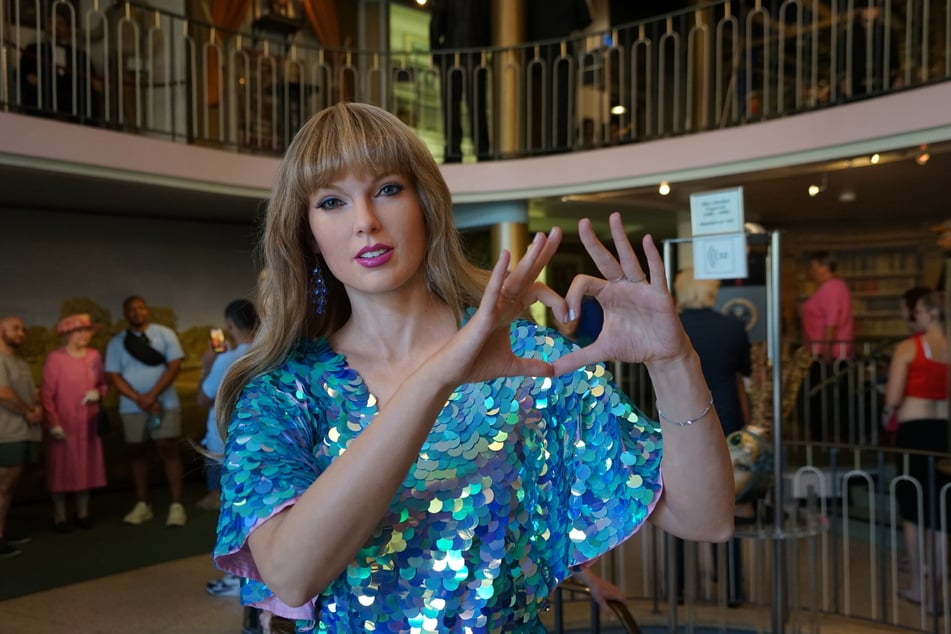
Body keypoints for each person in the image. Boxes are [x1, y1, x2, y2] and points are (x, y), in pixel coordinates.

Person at [211, 102, 733, 631]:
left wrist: (674, 361)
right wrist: (438, 377)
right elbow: (291, 574)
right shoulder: (283, 391)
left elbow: (705, 518)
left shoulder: (527, 360)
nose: (365, 222)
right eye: (332, 201)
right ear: (307, 233)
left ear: (426, 205)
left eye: (388, 189)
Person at [672, 269, 751, 607]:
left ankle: (677, 588)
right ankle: (732, 588)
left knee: (677, 499)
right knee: (725, 503)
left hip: (679, 421)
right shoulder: (731, 327)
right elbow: (744, 372)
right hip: (726, 419)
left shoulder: (673, 327)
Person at [883, 290, 949, 611]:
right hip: (945, 433)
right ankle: (937, 591)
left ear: (925, 312)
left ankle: (918, 586)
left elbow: (893, 397)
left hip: (914, 432)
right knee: (940, 514)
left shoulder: (909, 347)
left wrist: (885, 416)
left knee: (913, 509)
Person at [104, 296, 186, 527]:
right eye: (131, 309)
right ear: (125, 314)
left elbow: (175, 365)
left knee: (167, 449)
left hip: (165, 403)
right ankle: (143, 504)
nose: (136, 312)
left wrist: (152, 395)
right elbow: (113, 375)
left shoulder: (166, 333)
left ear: (147, 310)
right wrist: (138, 398)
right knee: (137, 453)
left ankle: (177, 505)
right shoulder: (117, 342)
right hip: (132, 407)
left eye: (140, 307)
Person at [199, 299, 259, 598]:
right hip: (258, 444)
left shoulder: (226, 360)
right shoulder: (267, 352)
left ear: (230, 326)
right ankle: (255, 574)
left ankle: (238, 575)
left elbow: (203, 398)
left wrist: (207, 366)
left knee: (230, 513)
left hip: (223, 441)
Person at [40, 313, 109, 532]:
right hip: (64, 425)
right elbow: (46, 395)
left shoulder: (94, 356)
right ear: (67, 335)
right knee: (60, 469)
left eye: (87, 331)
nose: (84, 335)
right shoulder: (56, 359)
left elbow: (103, 385)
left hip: (88, 424)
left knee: (86, 467)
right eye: (79, 331)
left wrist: (98, 393)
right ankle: (59, 517)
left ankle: (83, 513)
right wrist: (53, 423)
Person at [799, 250, 854, 442]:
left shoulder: (832, 287)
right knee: (823, 398)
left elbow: (831, 322)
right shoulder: (828, 287)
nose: (810, 271)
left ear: (825, 266)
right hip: (822, 352)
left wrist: (827, 352)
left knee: (824, 398)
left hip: (828, 355)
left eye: (813, 267)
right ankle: (825, 437)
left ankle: (827, 439)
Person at [0, 315, 43, 558]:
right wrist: (28, 412)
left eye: (23, 330)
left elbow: (33, 392)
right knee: (3, 485)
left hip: (24, 432)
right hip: (6, 433)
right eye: (15, 328)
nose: (21, 333)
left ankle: (2, 532)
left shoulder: (20, 362)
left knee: (9, 486)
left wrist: (37, 408)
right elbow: (3, 393)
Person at [429, 0, 492, 163]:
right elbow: (488, 22)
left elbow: (437, 20)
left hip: (451, 54)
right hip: (475, 54)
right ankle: (482, 151)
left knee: (451, 105)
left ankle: (453, 151)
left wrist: (436, 52)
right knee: (477, 105)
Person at [19, 10, 103, 122]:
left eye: (60, 23)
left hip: (72, 94)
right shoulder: (33, 49)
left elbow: (91, 76)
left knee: (86, 98)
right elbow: (23, 72)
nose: (56, 27)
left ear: (67, 28)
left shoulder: (80, 55)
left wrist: (95, 82)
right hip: (45, 91)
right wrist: (29, 76)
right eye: (51, 23)